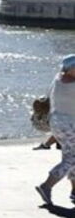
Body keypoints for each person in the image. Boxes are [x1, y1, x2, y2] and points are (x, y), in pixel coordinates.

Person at [35, 54, 75, 206]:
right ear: (71, 69)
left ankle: (74, 191)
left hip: (57, 123)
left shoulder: (58, 78)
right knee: (71, 159)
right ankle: (46, 186)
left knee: (70, 155)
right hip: (70, 125)